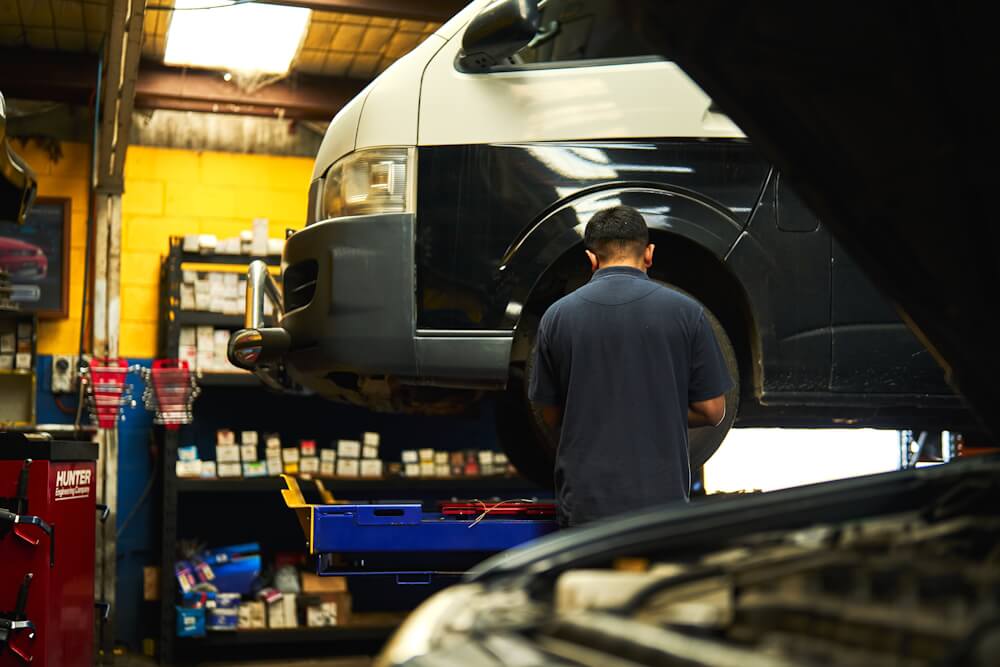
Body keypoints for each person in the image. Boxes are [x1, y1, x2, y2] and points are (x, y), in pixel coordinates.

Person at [529, 205, 732, 527]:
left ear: (591, 259)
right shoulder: (687, 313)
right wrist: (655, 408)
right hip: (662, 505)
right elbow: (713, 411)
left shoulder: (557, 316)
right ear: (649, 254)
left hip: (585, 506)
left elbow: (550, 415)